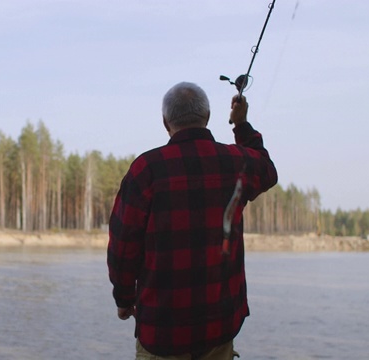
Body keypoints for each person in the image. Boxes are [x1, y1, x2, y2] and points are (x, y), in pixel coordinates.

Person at [107, 82, 278, 359]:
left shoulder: (146, 169)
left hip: (162, 331)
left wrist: (124, 299)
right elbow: (267, 169)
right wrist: (241, 124)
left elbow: (123, 245)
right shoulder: (236, 162)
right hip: (219, 327)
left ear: (166, 123)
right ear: (207, 117)